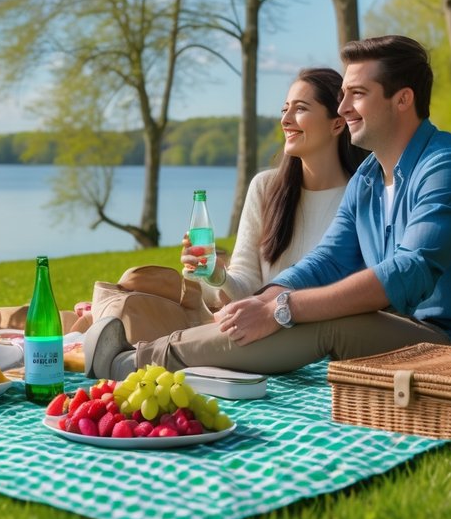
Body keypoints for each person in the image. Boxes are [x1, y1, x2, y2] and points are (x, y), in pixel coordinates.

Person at [85, 34, 451, 379]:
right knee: (292, 306)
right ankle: (141, 359)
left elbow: (408, 272)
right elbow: (327, 260)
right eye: (344, 95)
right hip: (411, 333)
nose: (344, 106)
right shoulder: (369, 178)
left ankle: (128, 364)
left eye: (357, 94)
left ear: (402, 98)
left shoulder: (449, 168)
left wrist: (284, 308)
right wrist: (264, 300)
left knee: (325, 319)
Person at [79, 67, 363, 342]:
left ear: (337, 122)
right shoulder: (266, 188)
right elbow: (248, 287)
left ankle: (132, 355)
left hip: (323, 339)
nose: (286, 119)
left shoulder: (361, 195)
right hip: (260, 334)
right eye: (284, 109)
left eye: (300, 109)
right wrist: (216, 273)